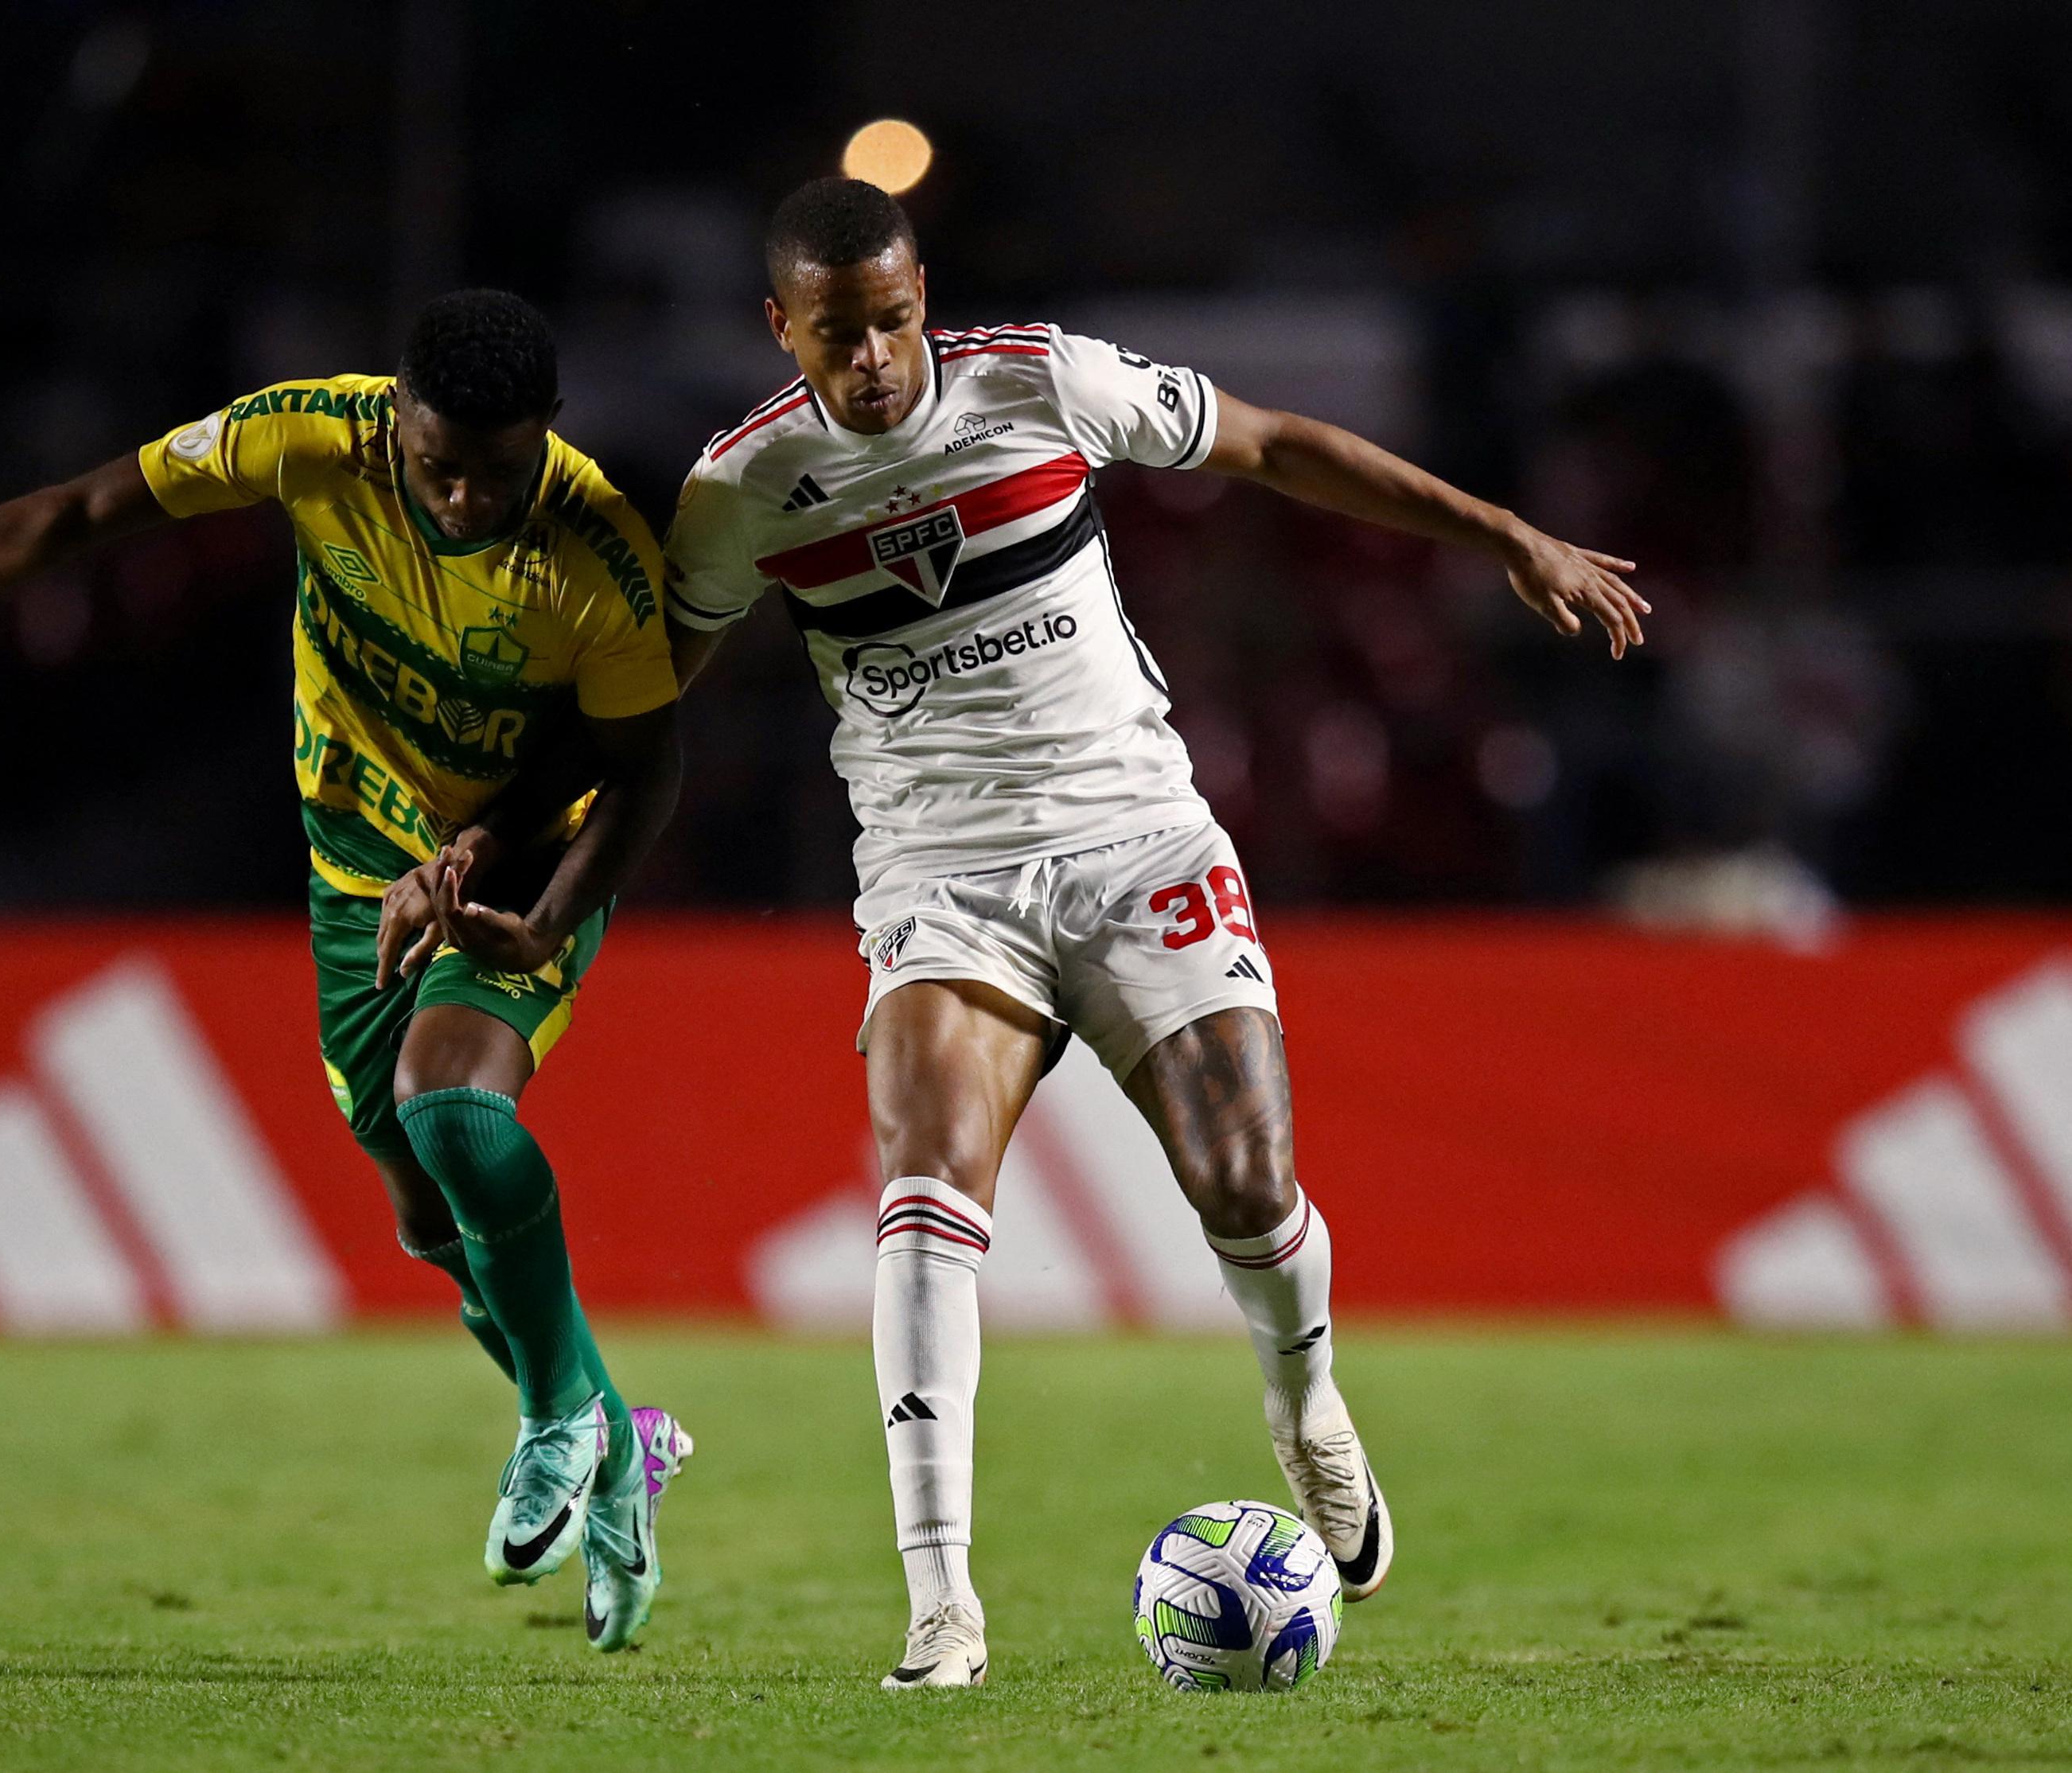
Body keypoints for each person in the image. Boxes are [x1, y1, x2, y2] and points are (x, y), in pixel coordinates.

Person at [661, 178, 1650, 1689]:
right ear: (782, 327)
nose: (872, 361)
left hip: (1134, 838)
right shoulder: (739, 489)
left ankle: (1307, 1405)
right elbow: (645, 676)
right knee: (923, 1194)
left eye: (894, 323)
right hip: (941, 875)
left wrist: (1496, 529)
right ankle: (941, 1604)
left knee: (1245, 1187)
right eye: (839, 335)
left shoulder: (1039, 379)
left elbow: (1272, 446)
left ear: (925, 299)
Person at [0, 289, 694, 1653]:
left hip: (519, 862)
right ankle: (616, 1439)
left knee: (452, 1107)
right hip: (354, 863)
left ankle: (553, 1423)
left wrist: (533, 911)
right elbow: (74, 514)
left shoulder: (596, 557)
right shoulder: (310, 440)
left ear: (551, 436)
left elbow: (642, 770)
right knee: (420, 1213)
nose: (463, 498)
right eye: (437, 464)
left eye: (497, 470)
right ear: (394, 418)